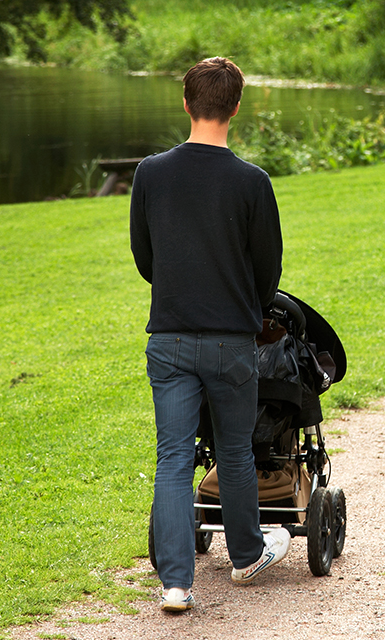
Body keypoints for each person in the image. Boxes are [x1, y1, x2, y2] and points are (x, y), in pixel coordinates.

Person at [129, 56, 288, 613]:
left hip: (169, 337)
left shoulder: (150, 173)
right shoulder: (252, 182)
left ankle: (175, 584)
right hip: (231, 341)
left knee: (173, 456)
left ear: (185, 101)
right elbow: (268, 270)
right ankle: (245, 557)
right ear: (236, 108)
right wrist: (246, 304)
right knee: (235, 450)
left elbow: (144, 258)